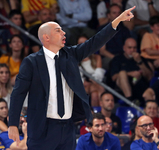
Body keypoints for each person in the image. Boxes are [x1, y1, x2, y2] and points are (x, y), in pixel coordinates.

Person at [8, 6, 136, 150]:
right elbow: (18, 93)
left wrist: (117, 21)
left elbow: (94, 42)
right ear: (46, 37)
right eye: (58, 30)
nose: (64, 33)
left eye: (62, 30)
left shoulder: (71, 54)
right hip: (42, 128)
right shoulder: (31, 62)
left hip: (68, 127)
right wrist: (13, 123)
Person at [110, 38, 154, 103]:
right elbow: (114, 77)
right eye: (129, 48)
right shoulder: (117, 59)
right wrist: (130, 74)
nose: (132, 50)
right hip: (122, 87)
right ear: (124, 48)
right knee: (122, 73)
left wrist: (140, 62)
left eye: (134, 48)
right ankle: (130, 100)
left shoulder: (141, 59)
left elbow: (150, 77)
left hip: (139, 86)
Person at [99, 4, 131, 70]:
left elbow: (128, 48)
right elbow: (102, 51)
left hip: (123, 57)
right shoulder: (102, 30)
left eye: (119, 13)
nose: (117, 15)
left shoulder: (125, 30)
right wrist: (116, 59)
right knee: (117, 65)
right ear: (108, 15)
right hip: (109, 57)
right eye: (114, 13)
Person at [80, 35, 105, 107]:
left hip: (96, 83)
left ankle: (96, 112)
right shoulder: (76, 60)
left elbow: (99, 75)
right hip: (82, 87)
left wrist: (93, 82)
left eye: (85, 42)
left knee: (94, 94)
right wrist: (92, 82)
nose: (83, 44)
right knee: (99, 88)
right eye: (80, 43)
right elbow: (79, 80)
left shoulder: (97, 57)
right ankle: (102, 108)